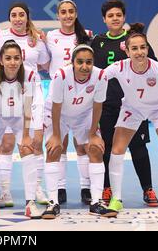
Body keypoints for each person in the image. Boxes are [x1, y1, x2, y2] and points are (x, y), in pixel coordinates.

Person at [102, 31, 158, 219]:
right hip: (133, 109)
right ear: (127, 51)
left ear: (147, 49)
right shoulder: (118, 67)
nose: (139, 52)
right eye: (134, 48)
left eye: (143, 47)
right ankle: (116, 199)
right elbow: (97, 77)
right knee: (116, 150)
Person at [91, 0, 158, 207]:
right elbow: (93, 73)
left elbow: (152, 67)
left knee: (138, 147)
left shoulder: (135, 41)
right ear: (104, 19)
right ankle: (107, 187)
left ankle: (148, 188)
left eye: (118, 15)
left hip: (133, 105)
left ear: (124, 18)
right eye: (110, 16)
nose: (115, 19)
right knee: (108, 148)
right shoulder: (97, 42)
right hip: (107, 105)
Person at [0, 1, 50, 207]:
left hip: (33, 92)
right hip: (8, 92)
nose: (18, 18)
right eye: (14, 15)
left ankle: (37, 187)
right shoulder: (0, 37)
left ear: (27, 17)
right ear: (9, 18)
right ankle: (5, 191)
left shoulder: (36, 38)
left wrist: (43, 39)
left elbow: (46, 63)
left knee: (35, 143)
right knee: (7, 144)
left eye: (21, 15)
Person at [43, 45, 110, 219]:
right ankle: (53, 202)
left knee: (95, 149)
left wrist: (93, 133)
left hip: (84, 115)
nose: (84, 66)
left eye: (89, 62)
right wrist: (57, 135)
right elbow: (56, 106)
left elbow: (98, 105)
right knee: (54, 149)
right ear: (72, 62)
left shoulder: (101, 76)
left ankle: (96, 202)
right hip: (59, 115)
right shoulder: (61, 76)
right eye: (80, 62)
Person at [0, 40, 41, 220]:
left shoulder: (30, 75)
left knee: (27, 149)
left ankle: (30, 203)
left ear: (22, 59)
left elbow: (29, 107)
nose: (12, 62)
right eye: (8, 58)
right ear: (1, 60)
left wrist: (25, 136)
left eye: (16, 58)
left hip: (20, 117)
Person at [45, 0, 94, 204]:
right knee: (60, 144)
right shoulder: (50, 37)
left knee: (82, 145)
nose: (67, 15)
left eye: (71, 11)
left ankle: (86, 187)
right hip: (58, 95)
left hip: (82, 95)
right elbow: (43, 61)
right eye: (63, 12)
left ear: (76, 13)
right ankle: (60, 187)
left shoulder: (87, 35)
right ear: (58, 16)